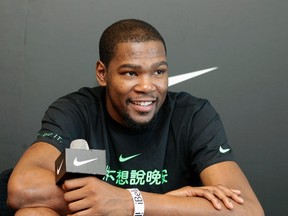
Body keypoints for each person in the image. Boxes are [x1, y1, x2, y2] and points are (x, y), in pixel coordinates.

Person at [7, 19, 264, 216]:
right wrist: (171, 201)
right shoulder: (77, 110)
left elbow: (248, 210)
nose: (147, 86)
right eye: (131, 73)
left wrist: (131, 203)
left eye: (158, 72)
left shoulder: (193, 115)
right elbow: (23, 189)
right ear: (102, 73)